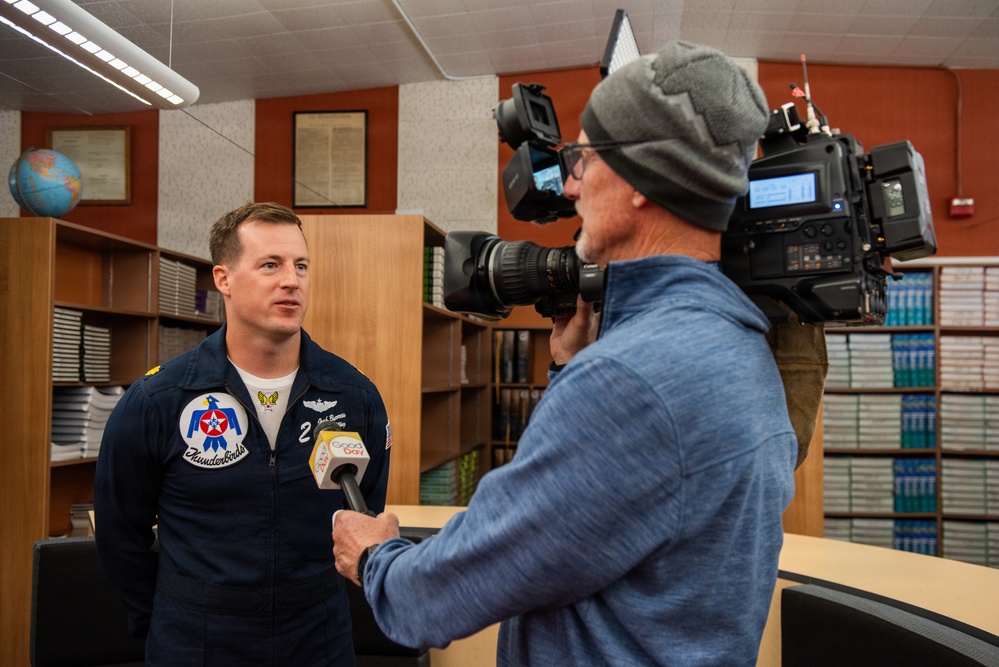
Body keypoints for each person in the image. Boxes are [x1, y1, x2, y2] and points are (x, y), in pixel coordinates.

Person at [332, 41, 800, 666]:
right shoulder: (740, 343)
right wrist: (573, 370)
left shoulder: (629, 379)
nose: (572, 182)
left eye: (584, 157)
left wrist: (375, 556)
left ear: (640, 178)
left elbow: (432, 601)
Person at [94, 201, 391, 665]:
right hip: (196, 640)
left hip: (317, 639)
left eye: (301, 265)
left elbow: (365, 512)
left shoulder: (354, 396)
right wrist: (175, 617)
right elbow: (119, 534)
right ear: (224, 279)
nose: (291, 280)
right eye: (270, 265)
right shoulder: (158, 400)